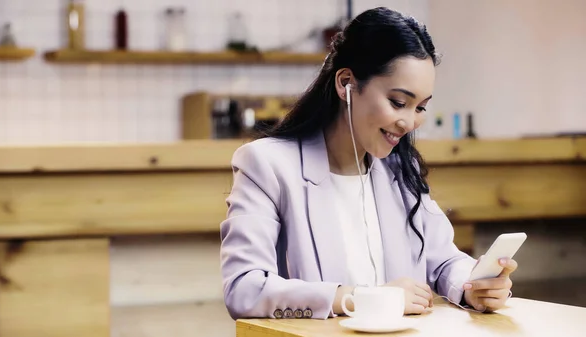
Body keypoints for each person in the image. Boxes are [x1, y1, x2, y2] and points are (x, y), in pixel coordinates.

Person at [219, 7, 517, 320]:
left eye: (420, 108)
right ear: (346, 82)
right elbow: (244, 289)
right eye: (399, 103)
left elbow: (443, 260)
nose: (409, 122)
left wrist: (473, 285)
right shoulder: (267, 165)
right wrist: (361, 298)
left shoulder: (400, 170)